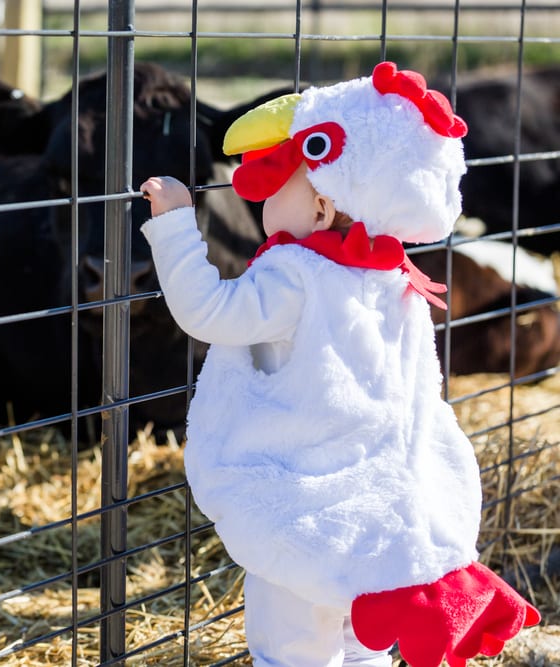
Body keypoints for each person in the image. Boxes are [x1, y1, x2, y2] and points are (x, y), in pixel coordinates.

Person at [139, 62, 539, 667]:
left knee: (291, 647)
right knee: (361, 646)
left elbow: (209, 312)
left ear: (322, 209)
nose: (263, 205)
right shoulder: (394, 278)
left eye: (276, 191)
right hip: (371, 518)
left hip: (298, 508)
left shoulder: (296, 276)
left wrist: (173, 225)